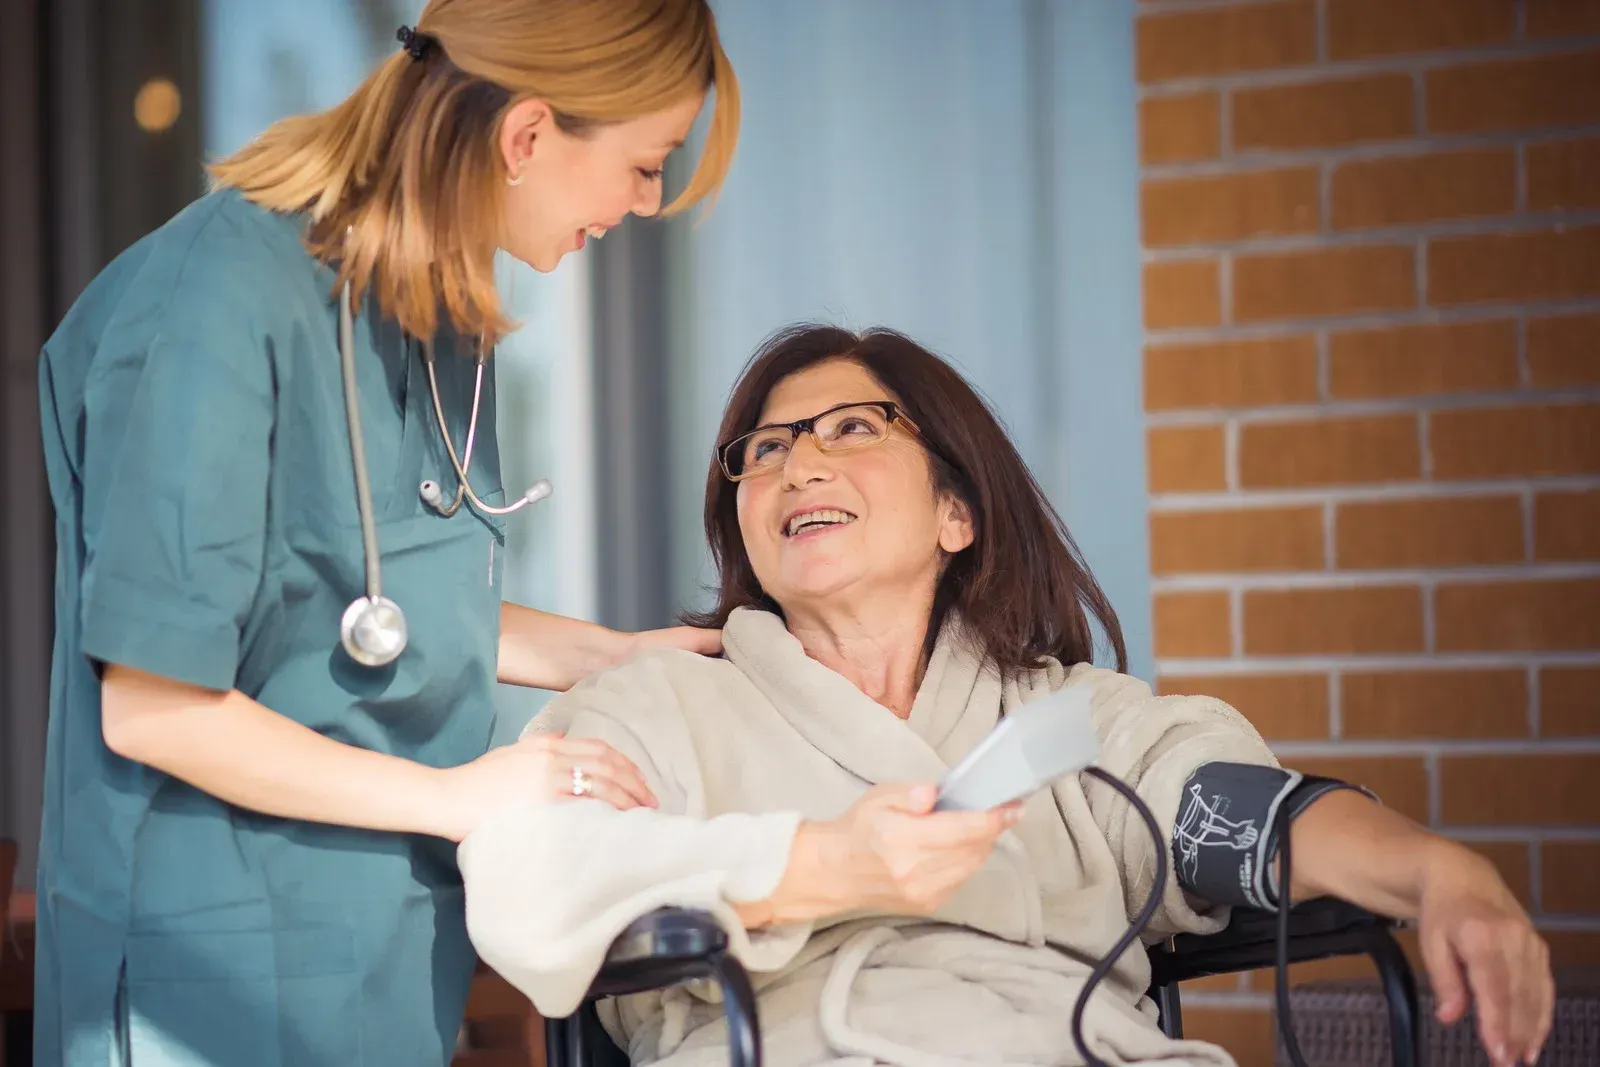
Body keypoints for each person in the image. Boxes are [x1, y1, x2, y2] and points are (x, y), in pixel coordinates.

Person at [461, 325, 1554, 1067]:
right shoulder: (659, 707)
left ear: (957, 512)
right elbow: (527, 878)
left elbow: (1245, 811)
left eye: (852, 428)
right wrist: (810, 866)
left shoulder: (1067, 721)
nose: (797, 465)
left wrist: (1439, 872)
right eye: (765, 449)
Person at [33, 2, 734, 1064]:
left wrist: (611, 654)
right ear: (527, 136)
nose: (645, 204)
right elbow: (154, 704)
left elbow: (380, 602)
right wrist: (458, 796)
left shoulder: (431, 309)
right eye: (647, 165)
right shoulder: (218, 300)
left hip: (382, 956)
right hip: (211, 969)